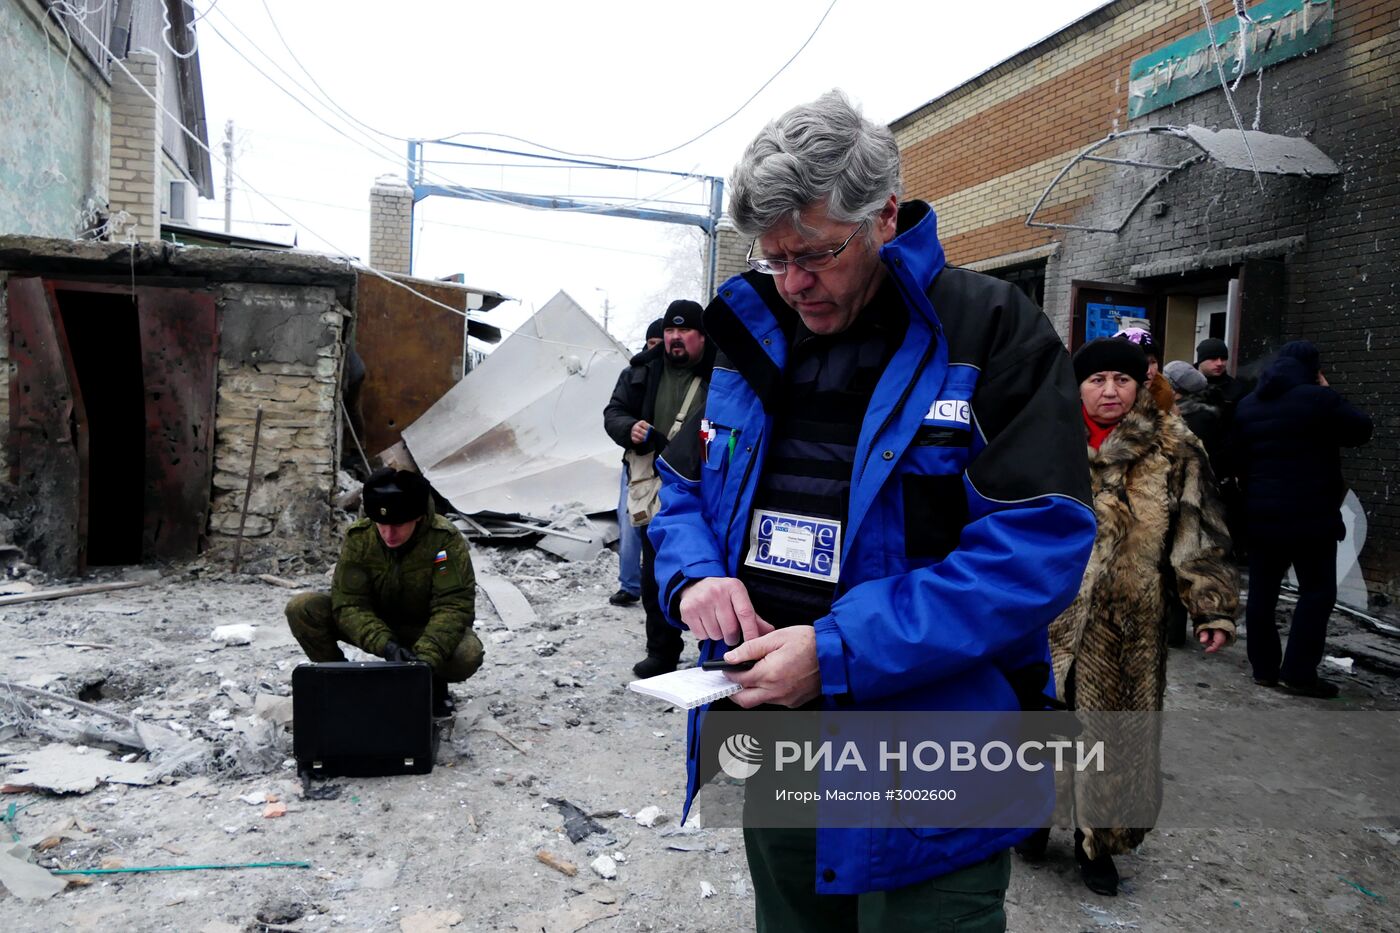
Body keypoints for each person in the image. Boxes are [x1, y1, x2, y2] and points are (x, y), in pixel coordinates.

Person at [648, 90, 1096, 931]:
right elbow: (680, 494)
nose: (792, 284)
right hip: (776, 731)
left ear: (885, 215)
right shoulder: (750, 335)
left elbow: (1036, 550)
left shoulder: (991, 333)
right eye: (773, 257)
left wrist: (839, 649)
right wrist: (695, 579)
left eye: (815, 253)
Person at [1025, 338, 1237, 896]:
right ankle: (1028, 822)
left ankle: (1099, 844)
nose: (1110, 390)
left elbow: (1198, 531)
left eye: (1123, 379)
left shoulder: (1173, 446)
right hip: (1045, 614)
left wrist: (1209, 605)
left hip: (1127, 623)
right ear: (1077, 386)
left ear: (1141, 385)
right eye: (1097, 380)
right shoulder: (1044, 440)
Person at [1233, 340, 1373, 698]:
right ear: (1313, 369)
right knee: (1317, 593)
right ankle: (1298, 673)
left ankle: (1264, 669)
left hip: (1262, 517)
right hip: (1312, 517)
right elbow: (1361, 430)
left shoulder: (1248, 405)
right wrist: (1327, 391)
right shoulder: (1318, 399)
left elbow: (1237, 456)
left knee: (1263, 593)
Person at [285, 468, 483, 717]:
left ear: (419, 517)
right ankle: (339, 680)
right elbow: (349, 604)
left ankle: (431, 682)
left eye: (398, 525)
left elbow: (453, 606)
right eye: (382, 524)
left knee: (467, 654)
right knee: (303, 608)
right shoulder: (360, 538)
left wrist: (423, 660)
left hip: (423, 627)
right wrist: (385, 645)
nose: (389, 534)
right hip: (377, 622)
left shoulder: (443, 540)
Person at [603, 300, 715, 677]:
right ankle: (662, 652)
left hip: (708, 487)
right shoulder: (642, 370)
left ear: (702, 335)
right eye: (670, 331)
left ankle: (714, 651)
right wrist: (628, 428)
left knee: (712, 571)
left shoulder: (724, 370)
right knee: (656, 572)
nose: (675, 338)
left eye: (684, 331)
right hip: (653, 486)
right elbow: (614, 412)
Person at [608, 318, 667, 608]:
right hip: (637, 462)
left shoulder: (681, 375)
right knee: (631, 523)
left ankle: (667, 587)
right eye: (651, 345)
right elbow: (614, 413)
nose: (655, 351)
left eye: (661, 344)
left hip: (673, 463)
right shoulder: (633, 374)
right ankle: (630, 585)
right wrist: (630, 428)